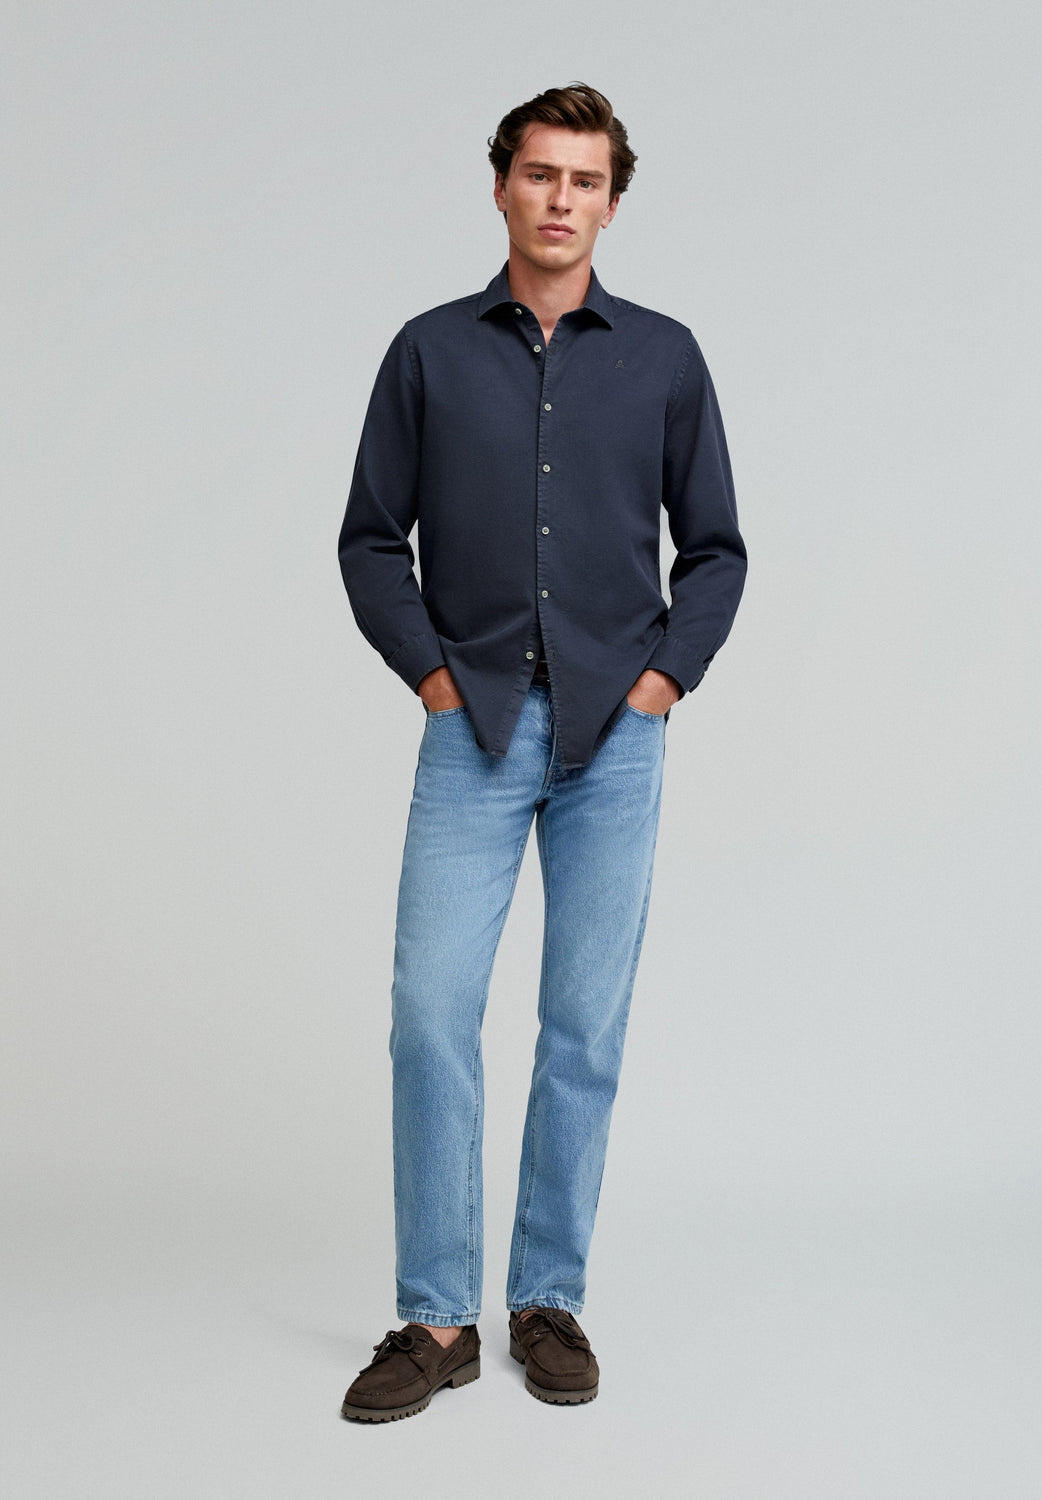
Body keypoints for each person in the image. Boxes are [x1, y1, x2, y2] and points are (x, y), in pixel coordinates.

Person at [337, 82, 746, 1422]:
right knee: (429, 1013)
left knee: (581, 1026)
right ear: (501, 186)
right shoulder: (427, 352)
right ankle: (436, 1317)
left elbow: (717, 550)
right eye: (539, 173)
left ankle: (546, 1298)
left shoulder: (666, 358)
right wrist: (434, 678)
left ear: (611, 204)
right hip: (475, 729)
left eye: (584, 180)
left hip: (613, 741)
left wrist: (661, 683)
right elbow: (369, 541)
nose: (560, 198)